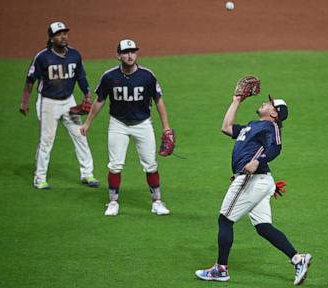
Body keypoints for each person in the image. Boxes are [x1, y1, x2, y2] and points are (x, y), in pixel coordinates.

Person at [195, 95, 312, 285]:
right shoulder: (252, 125)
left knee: (225, 220)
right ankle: (298, 259)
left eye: (269, 103)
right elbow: (226, 127)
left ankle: (221, 269)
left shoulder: (271, 126)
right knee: (263, 227)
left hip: (252, 179)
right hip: (259, 181)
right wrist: (236, 101)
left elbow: (276, 147)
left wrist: (257, 161)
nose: (265, 103)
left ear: (274, 113)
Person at [80, 39, 171, 216]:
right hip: (118, 124)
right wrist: (87, 123)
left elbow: (158, 100)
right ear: (118, 55)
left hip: (143, 124)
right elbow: (100, 100)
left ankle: (157, 201)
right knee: (115, 166)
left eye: (133, 52)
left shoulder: (147, 76)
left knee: (150, 164)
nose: (130, 56)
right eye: (126, 52)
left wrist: (166, 127)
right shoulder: (109, 77)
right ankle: (113, 202)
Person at [19, 21, 99, 189]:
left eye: (65, 33)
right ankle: (39, 178)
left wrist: (87, 93)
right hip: (47, 102)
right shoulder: (42, 57)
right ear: (51, 38)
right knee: (47, 140)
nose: (63, 36)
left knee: (80, 135)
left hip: (68, 101)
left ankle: (87, 174)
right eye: (59, 34)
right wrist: (24, 101)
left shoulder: (74, 55)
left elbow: (81, 77)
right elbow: (30, 81)